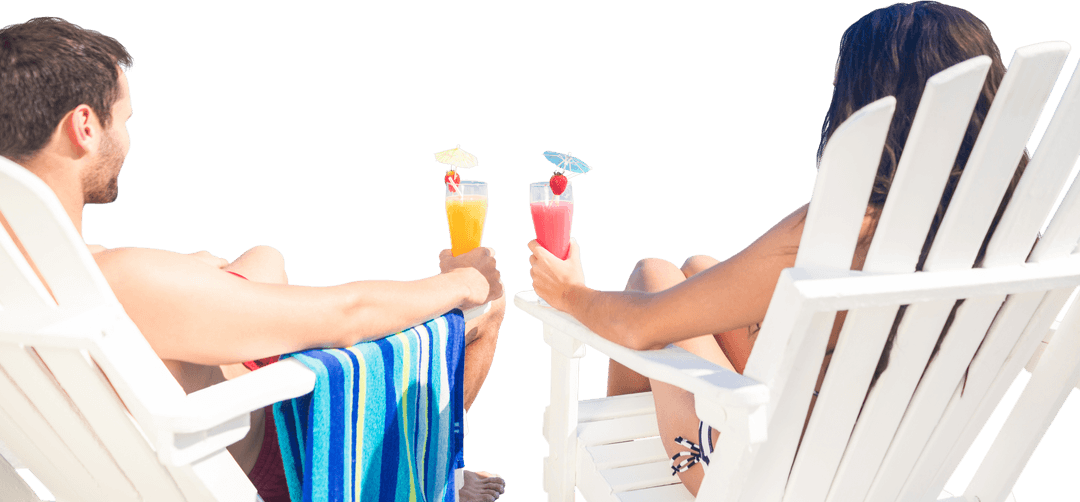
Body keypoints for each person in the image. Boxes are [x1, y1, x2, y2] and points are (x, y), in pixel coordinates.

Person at [528, 0, 1029, 496]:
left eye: (842, 83)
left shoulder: (844, 230)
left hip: (760, 481)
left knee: (653, 276)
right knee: (700, 267)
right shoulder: (1003, 230)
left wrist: (571, 294)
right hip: (888, 469)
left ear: (874, 100)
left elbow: (637, 326)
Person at [0, 17, 506, 502]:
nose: (127, 139)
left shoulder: (32, 279)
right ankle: (434, 477)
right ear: (84, 125)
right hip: (287, 458)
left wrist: (200, 277)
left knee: (262, 260)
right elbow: (347, 315)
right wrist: (463, 281)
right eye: (125, 120)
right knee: (483, 314)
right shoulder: (123, 279)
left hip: (124, 467)